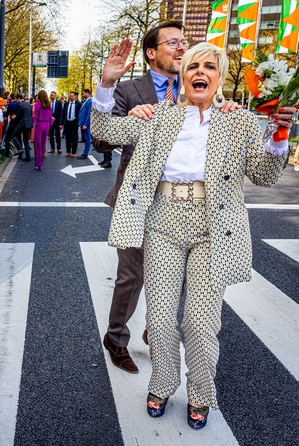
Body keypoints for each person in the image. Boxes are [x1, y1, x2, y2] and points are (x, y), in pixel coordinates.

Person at [92, 38, 293, 429]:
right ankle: (163, 383)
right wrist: (106, 83)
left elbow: (264, 176)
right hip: (162, 221)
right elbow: (104, 130)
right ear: (183, 76)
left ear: (219, 79)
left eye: (209, 67)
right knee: (161, 320)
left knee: (201, 324)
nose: (200, 73)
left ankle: (200, 392)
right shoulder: (158, 115)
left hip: (212, 228)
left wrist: (279, 137)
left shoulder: (237, 121)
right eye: (193, 67)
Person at [96, 20, 240, 375]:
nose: (181, 47)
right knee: (132, 276)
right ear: (151, 52)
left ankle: (156, 328)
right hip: (140, 203)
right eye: (172, 42)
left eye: (183, 42)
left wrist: (227, 108)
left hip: (189, 208)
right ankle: (116, 338)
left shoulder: (198, 86)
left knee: (180, 277)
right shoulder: (129, 89)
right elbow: (101, 140)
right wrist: (108, 86)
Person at [31, 89, 52, 170]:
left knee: (38, 144)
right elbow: (50, 117)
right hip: (46, 124)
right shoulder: (49, 105)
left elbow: (35, 116)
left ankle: (38, 163)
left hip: (39, 124)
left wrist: (33, 121)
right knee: (43, 144)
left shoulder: (37, 104)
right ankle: (41, 163)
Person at [62, 92, 80, 157]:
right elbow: (63, 114)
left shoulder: (78, 104)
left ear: (75, 97)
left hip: (74, 123)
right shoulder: (66, 104)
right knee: (68, 138)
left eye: (72, 96)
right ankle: (68, 151)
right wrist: (62, 123)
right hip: (67, 122)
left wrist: (79, 123)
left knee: (74, 138)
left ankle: (73, 152)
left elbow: (80, 114)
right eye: (70, 96)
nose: (70, 97)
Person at [76, 89, 92, 159]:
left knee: (87, 139)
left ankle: (85, 153)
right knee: (86, 139)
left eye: (83, 93)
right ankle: (85, 153)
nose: (82, 95)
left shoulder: (90, 101)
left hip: (85, 124)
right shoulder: (86, 101)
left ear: (87, 93)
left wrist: (86, 124)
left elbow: (89, 113)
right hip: (82, 123)